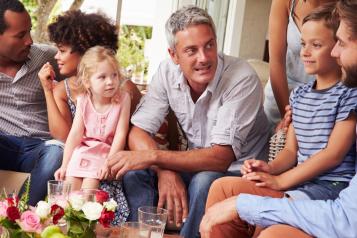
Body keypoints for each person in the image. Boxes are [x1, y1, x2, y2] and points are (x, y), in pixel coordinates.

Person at [107, 5, 270, 238]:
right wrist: (165, 170)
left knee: (204, 182)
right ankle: (142, 235)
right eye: (191, 50)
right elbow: (138, 132)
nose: (203, 58)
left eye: (209, 45)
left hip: (237, 173)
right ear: (174, 55)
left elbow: (220, 158)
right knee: (136, 174)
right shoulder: (166, 72)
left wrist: (155, 157)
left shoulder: (241, 78)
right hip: (196, 164)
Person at [200, 2, 357, 238]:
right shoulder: (300, 95)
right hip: (300, 183)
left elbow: (332, 155)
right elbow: (291, 150)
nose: (304, 52)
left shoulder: (348, 95)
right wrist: (269, 168)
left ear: (338, 47)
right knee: (220, 187)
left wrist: (281, 180)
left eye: (316, 45)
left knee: (265, 223)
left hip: (329, 188)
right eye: (303, 44)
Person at [38, 10, 142, 224]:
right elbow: (65, 136)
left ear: (85, 53)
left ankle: (83, 223)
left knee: (86, 199)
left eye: (62, 50)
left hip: (108, 156)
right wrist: (48, 90)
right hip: (81, 153)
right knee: (67, 195)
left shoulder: (122, 92)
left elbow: (128, 132)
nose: (56, 56)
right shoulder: (68, 91)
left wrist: (110, 161)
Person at [0, 0, 63, 206]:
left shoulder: (48, 57)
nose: (29, 40)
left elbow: (94, 68)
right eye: (20, 35)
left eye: (29, 31)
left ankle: (17, 217)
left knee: (57, 151)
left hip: (43, 148)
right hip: (5, 144)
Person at [54, 46, 131, 193]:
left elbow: (121, 135)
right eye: (102, 77)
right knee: (69, 188)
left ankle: (85, 214)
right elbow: (75, 134)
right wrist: (65, 165)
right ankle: (66, 213)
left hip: (106, 153)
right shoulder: (83, 100)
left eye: (114, 75)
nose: (110, 82)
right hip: (83, 151)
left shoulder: (123, 99)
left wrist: (109, 164)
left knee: (88, 190)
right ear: (87, 81)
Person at [265, 0, 337, 130]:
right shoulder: (284, 2)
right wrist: (287, 117)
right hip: (283, 96)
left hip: (324, 101)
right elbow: (276, 61)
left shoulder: (347, 6)